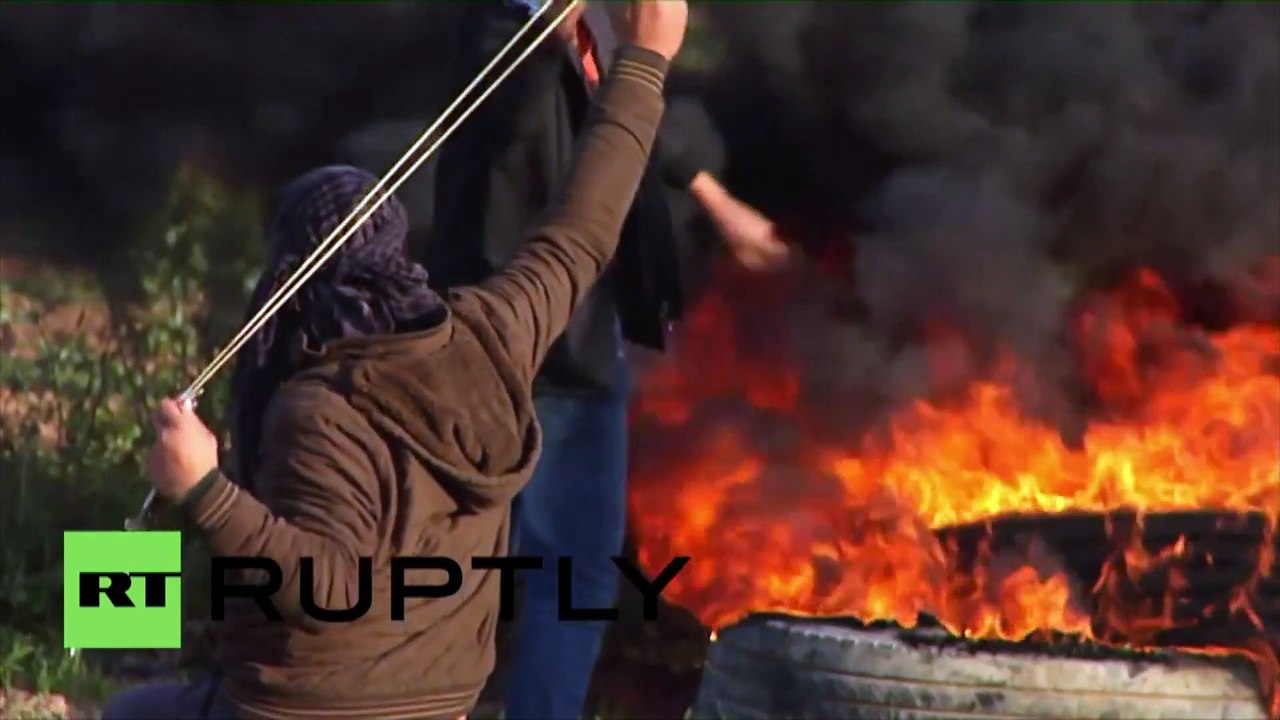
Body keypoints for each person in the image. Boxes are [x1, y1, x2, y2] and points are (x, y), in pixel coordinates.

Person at [100, 2, 688, 718]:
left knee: (126, 713)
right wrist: (645, 62)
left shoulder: (316, 409)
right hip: (440, 706)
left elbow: (334, 588)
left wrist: (204, 491)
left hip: (299, 708)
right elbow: (584, 232)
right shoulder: (494, 340)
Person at [424, 3, 789, 718]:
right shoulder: (507, 46)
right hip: (535, 351)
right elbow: (584, 132)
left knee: (538, 566)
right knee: (546, 569)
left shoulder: (572, 36)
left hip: (574, 341)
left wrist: (718, 203)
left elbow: (625, 107)